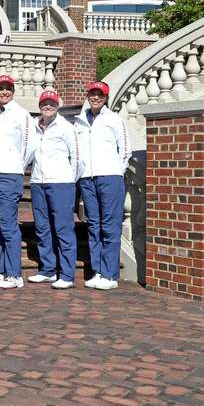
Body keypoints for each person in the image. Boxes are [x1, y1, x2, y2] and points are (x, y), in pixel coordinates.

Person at [0, 75, 37, 289]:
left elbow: (31, 144)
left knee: (8, 224)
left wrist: (17, 165)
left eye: (8, 88)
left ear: (13, 90)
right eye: (0, 88)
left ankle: (14, 274)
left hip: (9, 175)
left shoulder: (21, 115)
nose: (4, 92)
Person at [75, 81, 131, 291]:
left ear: (106, 98)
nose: (96, 97)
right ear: (88, 95)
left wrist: (115, 171)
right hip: (87, 179)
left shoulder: (115, 120)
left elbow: (125, 151)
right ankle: (98, 271)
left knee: (109, 226)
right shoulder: (79, 122)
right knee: (94, 225)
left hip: (110, 178)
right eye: (93, 94)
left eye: (100, 95)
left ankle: (110, 274)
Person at [29, 88, 80, 290]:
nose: (47, 106)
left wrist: (69, 179)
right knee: (42, 228)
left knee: (63, 228)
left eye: (51, 103)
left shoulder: (66, 127)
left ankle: (67, 274)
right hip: (37, 182)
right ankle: (48, 269)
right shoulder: (34, 126)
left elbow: (77, 157)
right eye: (44, 103)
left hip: (61, 183)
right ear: (40, 106)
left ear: (57, 105)